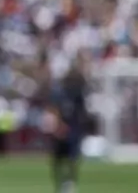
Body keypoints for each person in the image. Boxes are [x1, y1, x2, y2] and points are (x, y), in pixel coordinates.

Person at [44, 61, 89, 193]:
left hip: (74, 130)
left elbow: (81, 113)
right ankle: (59, 184)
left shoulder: (78, 93)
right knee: (57, 160)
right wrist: (58, 126)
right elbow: (54, 109)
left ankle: (70, 182)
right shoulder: (58, 92)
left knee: (73, 158)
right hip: (60, 130)